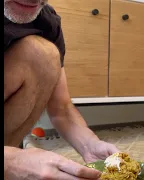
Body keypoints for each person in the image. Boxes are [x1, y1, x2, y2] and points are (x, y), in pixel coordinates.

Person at [4, 0, 120, 179]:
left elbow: (62, 109)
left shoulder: (45, 21)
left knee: (42, 55)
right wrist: (12, 162)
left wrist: (90, 144)